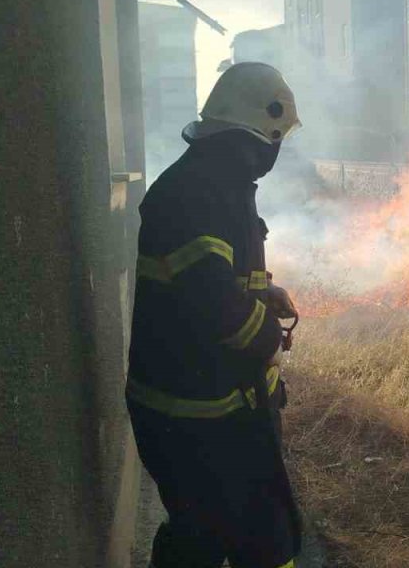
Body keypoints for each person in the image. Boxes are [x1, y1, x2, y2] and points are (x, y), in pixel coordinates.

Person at [126, 62, 302, 568]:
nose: (275, 153)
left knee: (209, 534)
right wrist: (269, 339)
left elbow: (214, 277)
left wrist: (265, 292)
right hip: (198, 418)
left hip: (204, 409)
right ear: (255, 137)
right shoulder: (198, 195)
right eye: (275, 140)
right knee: (247, 539)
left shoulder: (214, 183)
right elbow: (214, 305)